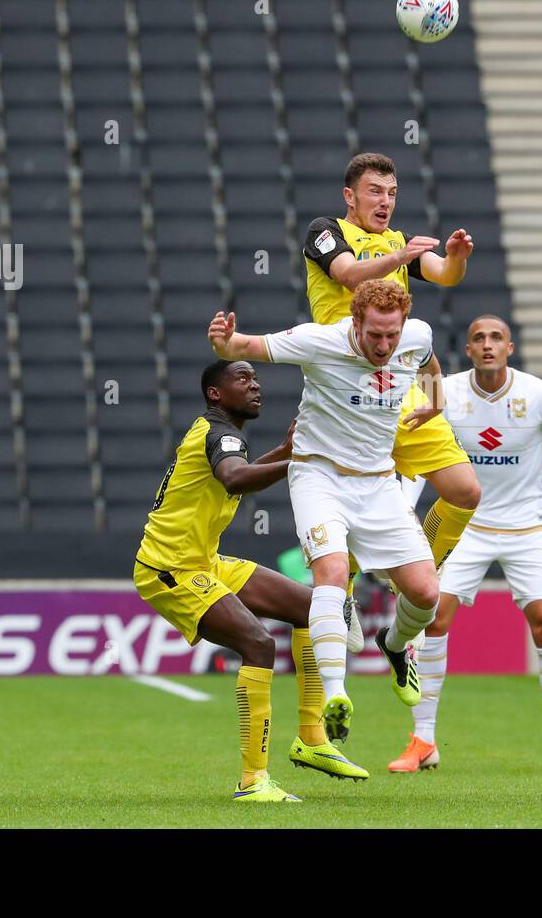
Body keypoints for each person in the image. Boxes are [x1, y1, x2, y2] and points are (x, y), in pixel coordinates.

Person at [208, 280, 444, 744]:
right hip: (319, 475)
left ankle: (394, 648)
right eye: (374, 334)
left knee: (425, 594)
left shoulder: (415, 334)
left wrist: (436, 401)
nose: (384, 345)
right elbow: (248, 346)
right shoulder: (321, 341)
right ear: (355, 321)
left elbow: (427, 359)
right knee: (332, 572)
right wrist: (224, 342)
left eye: (391, 336)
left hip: (378, 483)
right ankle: (336, 695)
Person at [387, 315, 542, 775]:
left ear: (510, 348)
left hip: (527, 527)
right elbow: (414, 456)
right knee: (435, 618)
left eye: (496, 338)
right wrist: (402, 511)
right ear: (468, 350)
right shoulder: (442, 391)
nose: (487, 345)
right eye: (478, 339)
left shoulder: (540, 393)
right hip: (464, 524)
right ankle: (423, 741)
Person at [133, 359, 368, 802]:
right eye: (242, 378)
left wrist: (285, 450)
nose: (255, 384)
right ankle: (252, 781)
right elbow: (236, 479)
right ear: (215, 394)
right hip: (170, 568)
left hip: (202, 560)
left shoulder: (220, 434)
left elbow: (235, 476)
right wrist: (301, 461)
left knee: (309, 607)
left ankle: (312, 738)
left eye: (255, 377)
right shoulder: (219, 434)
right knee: (259, 645)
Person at [302, 152, 481, 650]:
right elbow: (345, 275)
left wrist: (458, 255)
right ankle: (345, 590)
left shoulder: (400, 242)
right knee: (351, 501)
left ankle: (405, 575)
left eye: (393, 192)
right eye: (376, 191)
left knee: (465, 491)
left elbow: (444, 274)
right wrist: (399, 260)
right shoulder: (326, 231)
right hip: (345, 394)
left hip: (400, 389)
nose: (386, 201)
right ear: (350, 196)